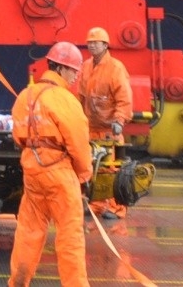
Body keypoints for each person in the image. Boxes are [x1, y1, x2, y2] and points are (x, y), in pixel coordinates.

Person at [8, 41, 93, 287]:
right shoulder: (65, 99)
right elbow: (78, 142)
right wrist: (84, 173)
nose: (76, 75)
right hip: (59, 174)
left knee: (28, 232)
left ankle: (18, 282)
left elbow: (18, 136)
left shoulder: (26, 95)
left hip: (32, 172)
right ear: (62, 68)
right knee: (70, 237)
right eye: (74, 70)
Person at [77, 26, 133, 219]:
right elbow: (81, 97)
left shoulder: (116, 68)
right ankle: (96, 204)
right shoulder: (86, 66)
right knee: (91, 169)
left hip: (109, 130)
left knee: (112, 170)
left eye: (96, 42)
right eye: (89, 42)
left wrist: (119, 120)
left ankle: (118, 208)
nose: (91, 45)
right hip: (91, 129)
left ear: (105, 45)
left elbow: (124, 98)